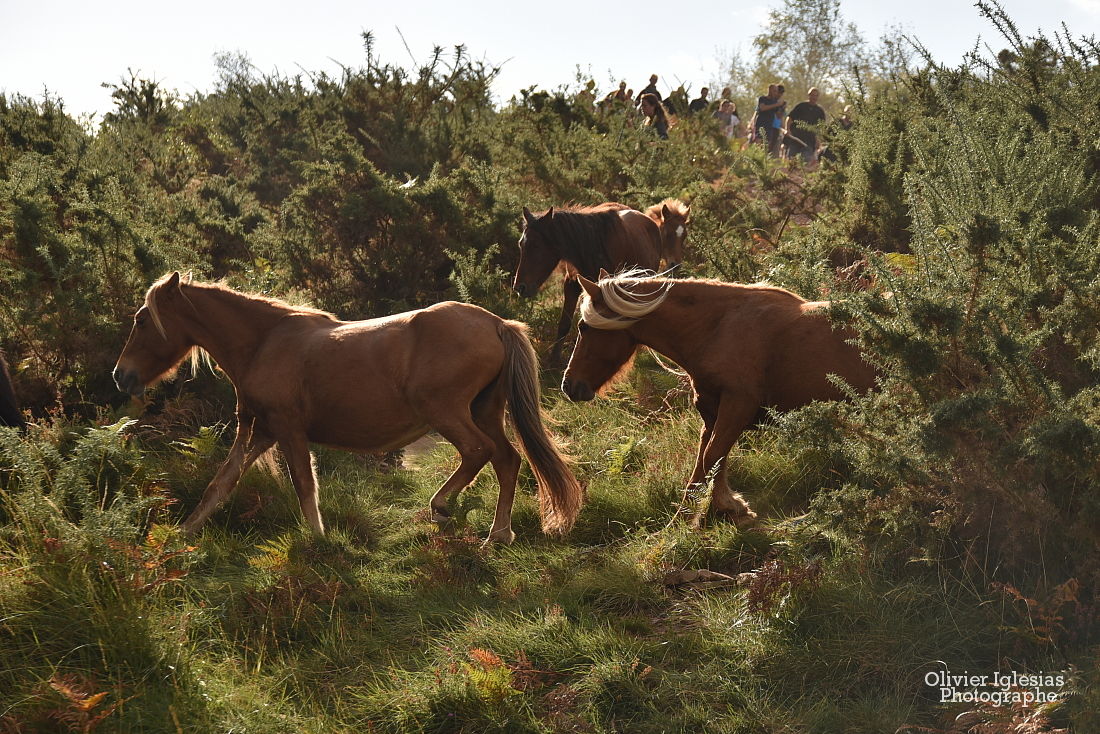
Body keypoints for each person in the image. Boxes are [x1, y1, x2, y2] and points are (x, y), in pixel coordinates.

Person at [785, 87, 827, 163]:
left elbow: (821, 128)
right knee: (790, 162)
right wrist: (787, 129)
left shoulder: (820, 111)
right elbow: (790, 118)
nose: (814, 97)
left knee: (805, 163)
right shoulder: (801, 106)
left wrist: (818, 140)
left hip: (809, 143)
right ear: (809, 95)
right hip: (796, 139)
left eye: (816, 95)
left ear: (818, 97)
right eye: (812, 95)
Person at [756, 83, 785, 157]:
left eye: (776, 91)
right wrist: (777, 105)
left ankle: (763, 160)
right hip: (761, 124)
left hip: (769, 126)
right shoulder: (763, 98)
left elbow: (778, 116)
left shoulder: (775, 102)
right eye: (774, 91)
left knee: (767, 146)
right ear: (770, 90)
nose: (776, 93)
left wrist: (782, 108)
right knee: (758, 143)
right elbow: (762, 108)